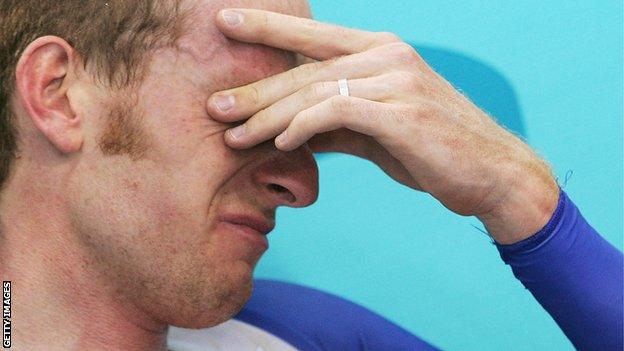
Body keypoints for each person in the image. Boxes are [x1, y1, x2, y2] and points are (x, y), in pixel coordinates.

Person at [0, 1, 620, 350]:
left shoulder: (296, 338)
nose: (302, 185)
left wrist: (516, 194)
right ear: (57, 94)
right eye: (246, 104)